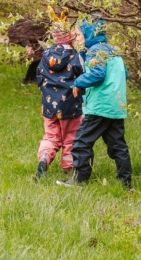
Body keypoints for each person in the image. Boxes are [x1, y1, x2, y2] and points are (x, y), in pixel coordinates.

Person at [57, 17, 133, 190]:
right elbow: (125, 74)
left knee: (81, 143)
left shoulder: (95, 51)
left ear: (90, 34)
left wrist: (78, 82)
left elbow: (98, 74)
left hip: (99, 106)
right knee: (117, 145)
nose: (76, 38)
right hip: (116, 106)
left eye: (78, 34)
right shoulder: (113, 52)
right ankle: (126, 181)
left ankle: (80, 180)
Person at [34, 16, 85, 180]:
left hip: (49, 105)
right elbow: (82, 77)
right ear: (70, 37)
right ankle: (69, 168)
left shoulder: (46, 54)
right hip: (70, 105)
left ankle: (44, 157)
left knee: (51, 135)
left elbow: (39, 76)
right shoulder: (74, 56)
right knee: (71, 136)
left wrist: (45, 91)